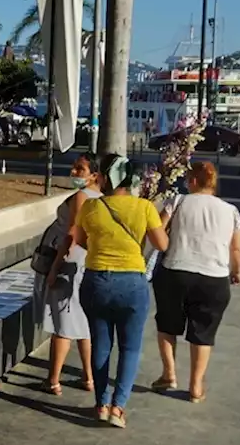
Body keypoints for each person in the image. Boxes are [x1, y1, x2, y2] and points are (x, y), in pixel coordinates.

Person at [72, 154, 169, 428]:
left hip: (96, 281)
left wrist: (103, 252)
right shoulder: (145, 207)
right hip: (132, 283)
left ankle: (101, 403)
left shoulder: (91, 207)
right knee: (130, 348)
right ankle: (118, 407)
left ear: (107, 178)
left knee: (101, 345)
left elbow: (79, 240)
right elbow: (161, 244)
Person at [151, 162, 240, 404]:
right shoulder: (231, 211)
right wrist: (237, 271)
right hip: (214, 276)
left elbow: (157, 229)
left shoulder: (178, 201)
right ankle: (196, 386)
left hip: (175, 271)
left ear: (192, 181)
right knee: (203, 332)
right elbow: (236, 247)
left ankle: (169, 374)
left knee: (167, 324)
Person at [38, 155, 100, 395]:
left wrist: (54, 268)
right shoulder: (103, 200)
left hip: (69, 263)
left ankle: (53, 380)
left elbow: (72, 234)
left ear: (94, 175)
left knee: (62, 323)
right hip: (89, 265)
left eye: (81, 169)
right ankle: (89, 377)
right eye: (74, 167)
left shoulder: (82, 197)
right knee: (84, 323)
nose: (74, 172)